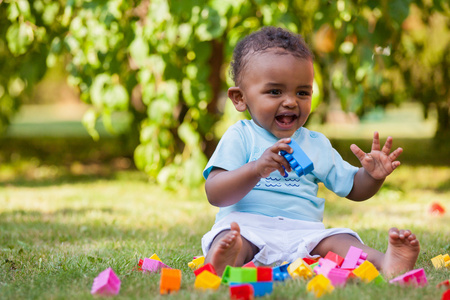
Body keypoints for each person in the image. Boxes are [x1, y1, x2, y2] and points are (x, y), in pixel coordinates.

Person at [201, 27, 420, 277]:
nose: (291, 101)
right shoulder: (241, 135)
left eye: (302, 92)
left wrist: (372, 176)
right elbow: (215, 192)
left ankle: (389, 261)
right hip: (247, 226)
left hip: (304, 233)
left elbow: (354, 188)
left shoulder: (316, 143)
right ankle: (225, 259)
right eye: (275, 91)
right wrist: (255, 169)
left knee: (339, 238)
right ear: (240, 98)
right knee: (230, 238)